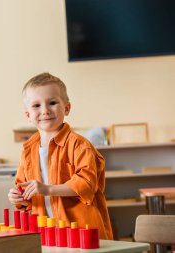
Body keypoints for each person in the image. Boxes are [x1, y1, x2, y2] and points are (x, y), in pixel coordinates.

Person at [8, 72, 113, 239]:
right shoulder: (28, 150)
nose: (45, 110)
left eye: (52, 102)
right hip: (47, 233)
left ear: (67, 108)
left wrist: (47, 189)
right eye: (36, 105)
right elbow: (25, 190)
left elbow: (86, 184)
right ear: (28, 115)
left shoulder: (80, 145)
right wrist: (18, 198)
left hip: (82, 233)